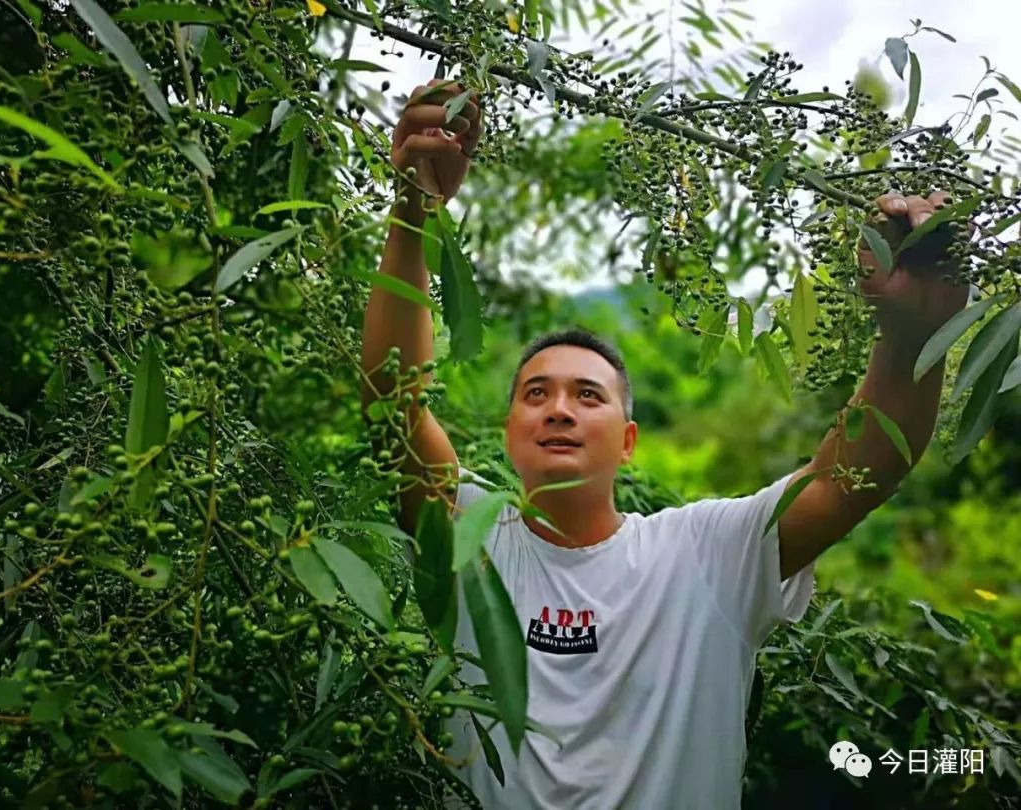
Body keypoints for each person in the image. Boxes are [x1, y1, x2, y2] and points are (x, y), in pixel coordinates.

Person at [359, 80, 969, 810]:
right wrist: (412, 214)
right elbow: (393, 404)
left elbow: (854, 477)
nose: (559, 409)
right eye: (535, 394)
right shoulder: (470, 543)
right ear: (507, 435)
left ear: (628, 442)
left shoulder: (705, 553)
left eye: (588, 396)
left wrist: (908, 338)